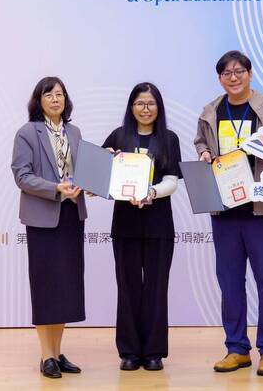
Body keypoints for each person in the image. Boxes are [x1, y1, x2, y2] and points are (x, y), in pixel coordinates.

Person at [194, 50, 263, 377]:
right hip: (224, 209)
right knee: (230, 283)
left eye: (239, 71)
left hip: (262, 209)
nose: (233, 78)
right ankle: (236, 348)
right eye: (226, 73)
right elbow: (200, 142)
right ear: (219, 78)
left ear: (250, 73)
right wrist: (204, 152)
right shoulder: (211, 111)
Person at [101, 82, 182, 372]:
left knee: (157, 288)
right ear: (131, 107)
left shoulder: (169, 139)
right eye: (139, 103)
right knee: (128, 287)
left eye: (150, 103)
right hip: (125, 224)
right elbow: (100, 174)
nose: (145, 109)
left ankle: (154, 351)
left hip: (159, 223)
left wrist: (151, 193)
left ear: (158, 107)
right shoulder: (118, 136)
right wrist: (106, 162)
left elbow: (172, 180)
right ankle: (129, 351)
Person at [11, 76, 86, 379]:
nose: (55, 99)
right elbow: (22, 176)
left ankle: (58, 351)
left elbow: (82, 171)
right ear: (38, 101)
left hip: (71, 215)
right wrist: (55, 188)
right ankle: (46, 356)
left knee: (66, 286)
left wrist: (92, 181)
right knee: (46, 286)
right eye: (49, 94)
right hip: (43, 217)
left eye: (60, 94)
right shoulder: (28, 132)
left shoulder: (74, 132)